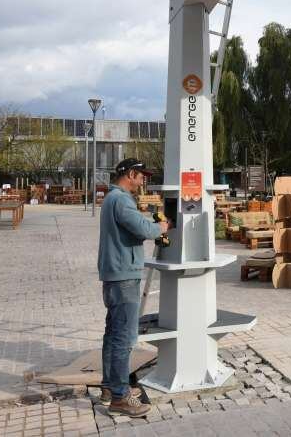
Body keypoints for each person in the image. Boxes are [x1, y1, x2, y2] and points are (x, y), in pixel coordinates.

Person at [98, 158, 169, 417]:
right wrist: (160, 226)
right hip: (124, 277)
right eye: (141, 177)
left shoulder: (112, 199)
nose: (143, 182)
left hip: (115, 275)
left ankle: (109, 386)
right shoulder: (121, 200)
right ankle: (120, 397)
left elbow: (130, 231)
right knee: (124, 338)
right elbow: (142, 228)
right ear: (130, 174)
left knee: (113, 333)